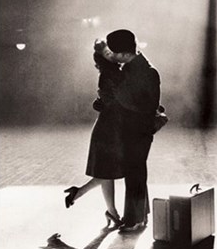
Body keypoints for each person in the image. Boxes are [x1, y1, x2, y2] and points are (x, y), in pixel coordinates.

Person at [100, 29, 161, 232]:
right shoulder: (136, 68)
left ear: (126, 54)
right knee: (137, 171)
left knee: (134, 171)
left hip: (138, 129)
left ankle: (134, 220)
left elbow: (144, 106)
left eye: (115, 53)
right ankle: (140, 216)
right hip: (136, 129)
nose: (113, 56)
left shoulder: (144, 72)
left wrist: (115, 96)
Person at [64, 51, 124, 227]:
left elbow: (107, 100)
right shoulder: (108, 74)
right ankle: (112, 213)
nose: (112, 53)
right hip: (108, 129)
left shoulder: (112, 72)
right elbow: (113, 101)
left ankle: (79, 194)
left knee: (107, 172)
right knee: (107, 172)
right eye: (108, 52)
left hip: (110, 127)